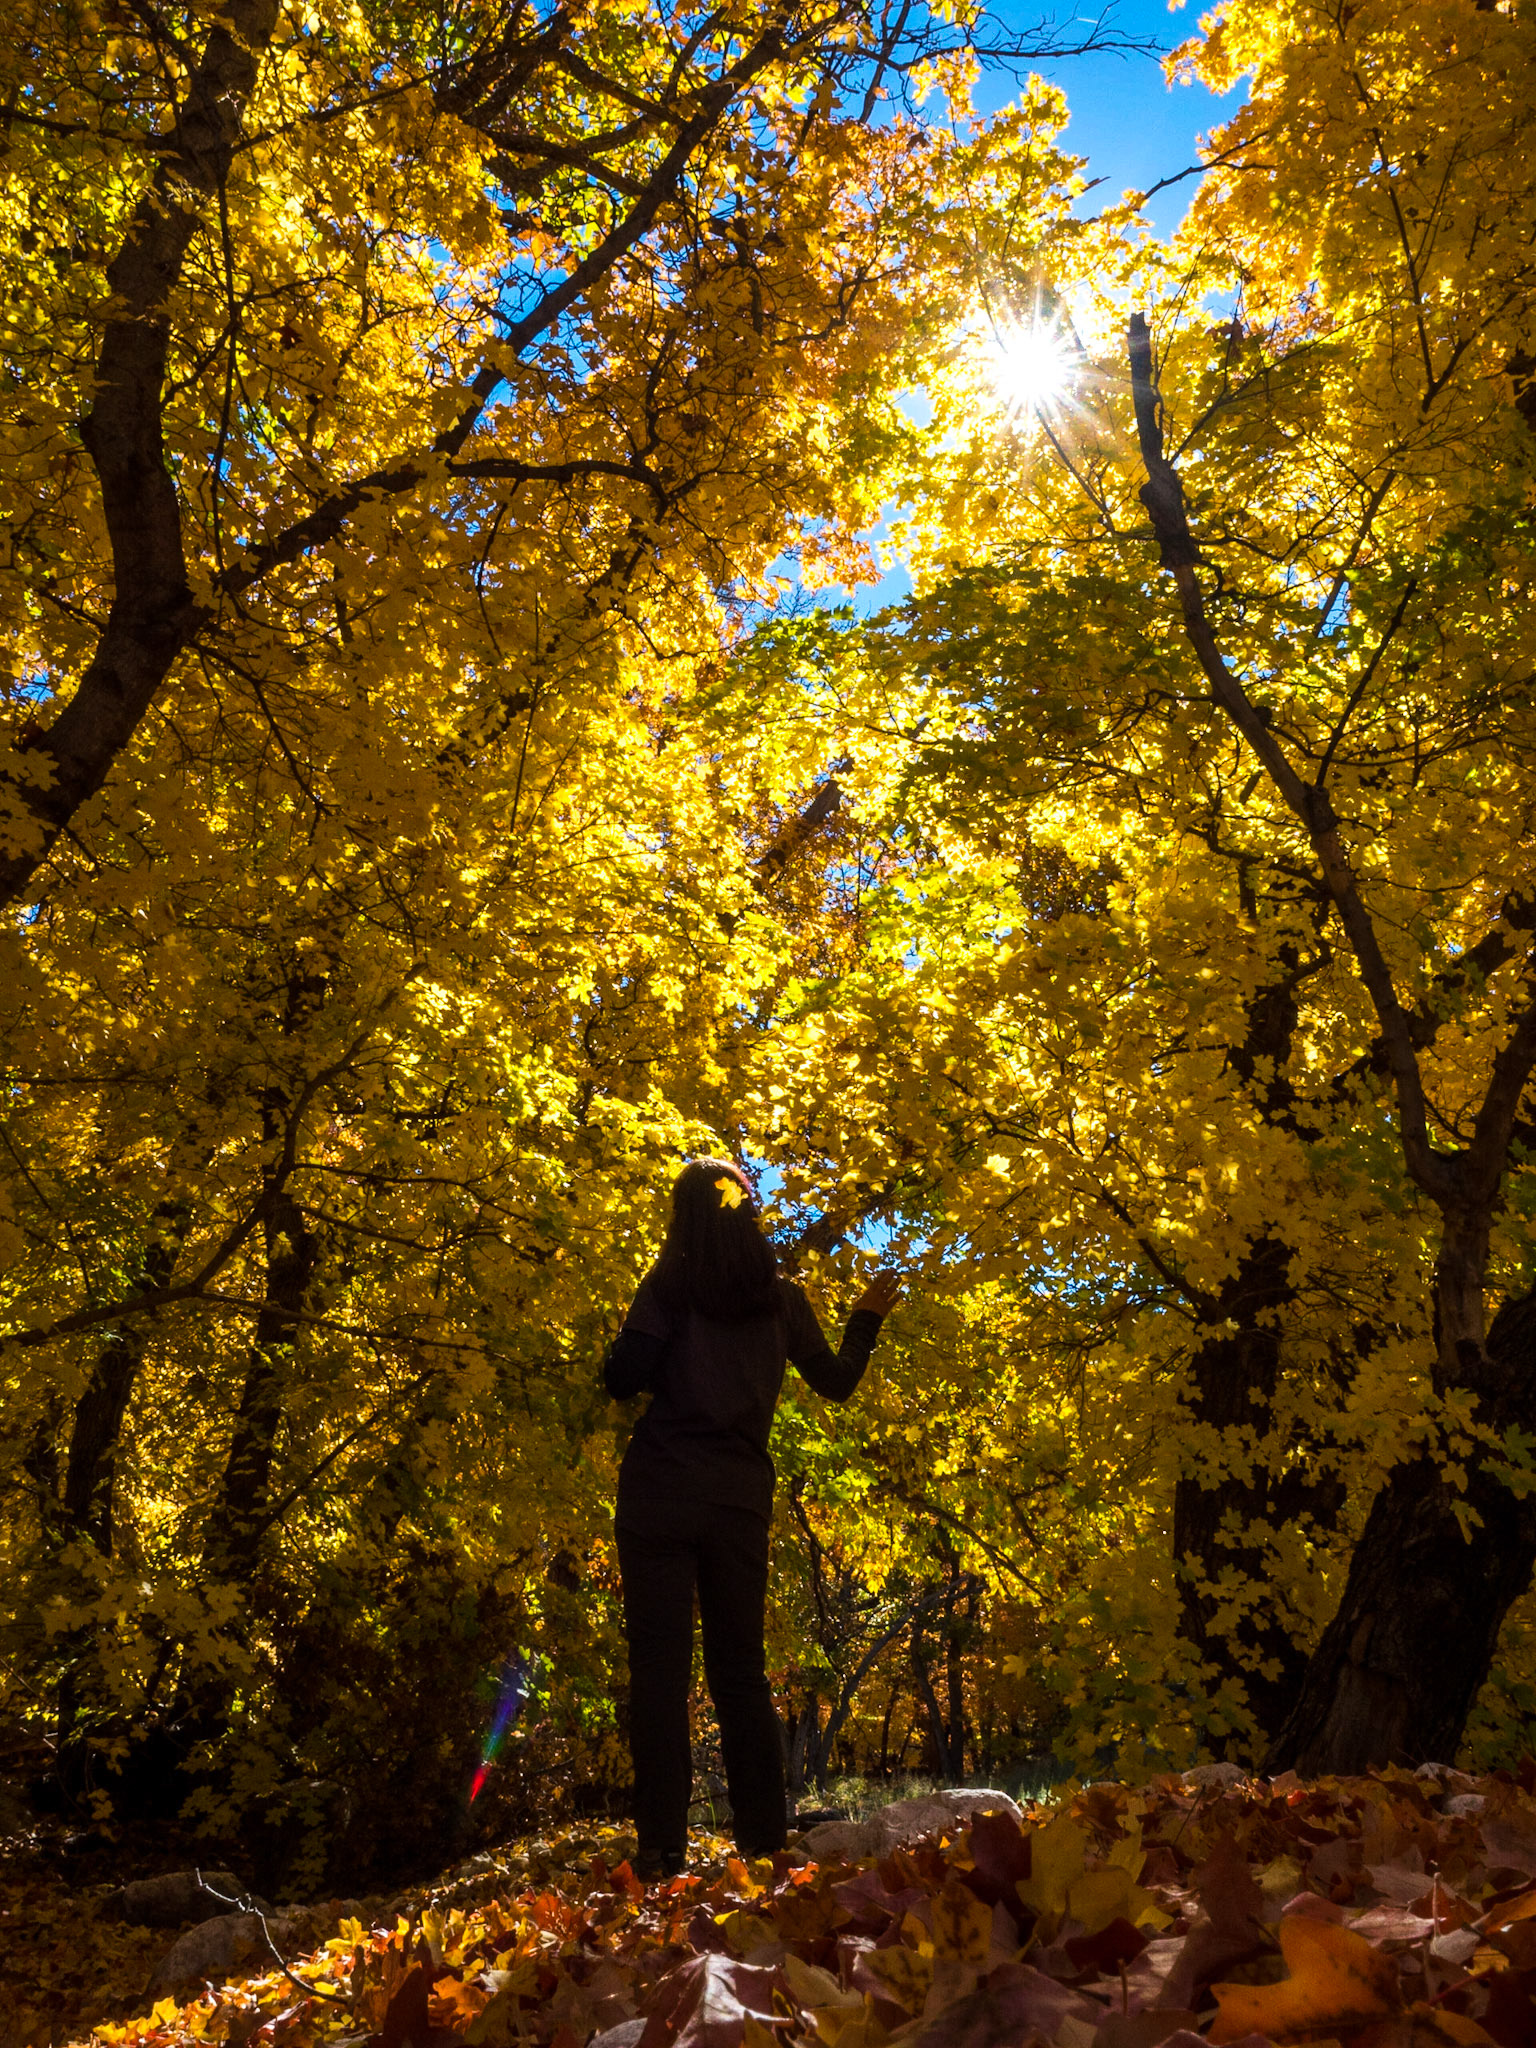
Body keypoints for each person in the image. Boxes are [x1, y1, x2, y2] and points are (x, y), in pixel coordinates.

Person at [602, 1157, 900, 1879]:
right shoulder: (783, 1302)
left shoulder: (668, 1290)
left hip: (659, 1494)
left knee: (659, 1677)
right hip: (737, 1503)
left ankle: (661, 1851)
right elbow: (837, 1384)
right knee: (742, 1674)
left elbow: (620, 1380)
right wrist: (867, 1318)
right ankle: (763, 1841)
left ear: (684, 1220)